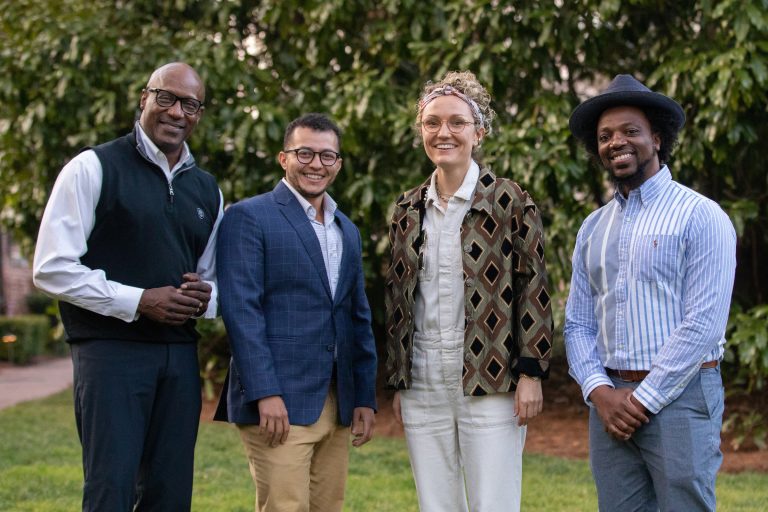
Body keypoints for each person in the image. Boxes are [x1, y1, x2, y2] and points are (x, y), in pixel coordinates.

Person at [32, 62, 223, 511]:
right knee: (110, 488)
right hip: (110, 352)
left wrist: (206, 297)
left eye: (190, 104)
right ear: (144, 98)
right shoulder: (93, 167)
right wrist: (138, 300)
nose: (177, 112)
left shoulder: (207, 189)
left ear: (199, 114)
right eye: (166, 98)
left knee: (170, 492)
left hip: (178, 357)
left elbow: (212, 276)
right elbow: (51, 267)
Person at [564, 74, 737, 511]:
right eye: (605, 136)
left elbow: (702, 325)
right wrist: (600, 392)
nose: (616, 142)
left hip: (681, 396)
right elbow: (578, 324)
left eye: (629, 131)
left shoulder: (701, 216)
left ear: (656, 139)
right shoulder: (592, 228)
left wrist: (641, 399)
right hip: (609, 402)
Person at [384, 71, 553, 512]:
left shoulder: (509, 200)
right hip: (423, 376)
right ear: (421, 131)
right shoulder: (406, 208)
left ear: (478, 133)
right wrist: (401, 380)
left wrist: (531, 373)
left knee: (492, 503)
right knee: (436, 504)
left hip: (490, 374)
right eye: (432, 123)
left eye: (457, 122)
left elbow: (533, 287)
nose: (444, 133)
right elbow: (399, 300)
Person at [214, 113, 378, 512]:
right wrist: (265, 392)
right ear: (283, 158)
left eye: (327, 156)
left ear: (338, 163)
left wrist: (364, 396)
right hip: (279, 403)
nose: (316, 164)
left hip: (336, 401)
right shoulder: (249, 217)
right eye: (305, 153)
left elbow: (357, 317)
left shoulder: (347, 230)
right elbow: (242, 311)